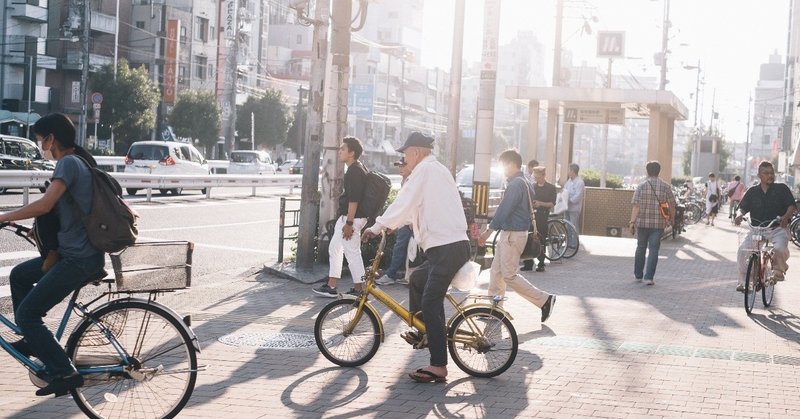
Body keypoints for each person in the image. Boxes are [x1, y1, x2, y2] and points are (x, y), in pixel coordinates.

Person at [0, 113, 106, 397]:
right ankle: (33, 341)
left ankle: (64, 370)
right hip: (75, 254)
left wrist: (3, 215)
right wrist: (29, 228)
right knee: (19, 275)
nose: (39, 144)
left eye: (40, 139)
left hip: (78, 260)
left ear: (51, 139)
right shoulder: (73, 163)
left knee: (27, 314)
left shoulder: (69, 163)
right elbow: (61, 215)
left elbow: (45, 205)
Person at [362, 132, 470, 383]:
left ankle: (439, 366)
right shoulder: (435, 170)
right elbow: (415, 209)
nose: (404, 159)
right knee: (418, 279)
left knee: (431, 302)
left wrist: (377, 227)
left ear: (417, 152)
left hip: (446, 247)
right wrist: (394, 225)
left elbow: (403, 202)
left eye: (406, 154)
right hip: (448, 246)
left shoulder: (424, 170)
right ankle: (426, 333)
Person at [479, 150, 556, 321]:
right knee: (496, 271)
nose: (503, 169)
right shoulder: (525, 182)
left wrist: (488, 231)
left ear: (512, 164)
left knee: (509, 275)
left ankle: (544, 299)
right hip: (514, 233)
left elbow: (504, 210)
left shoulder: (515, 185)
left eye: (504, 164)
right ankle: (494, 310)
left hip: (512, 235)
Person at [313, 137, 369, 297]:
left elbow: (354, 199)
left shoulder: (355, 171)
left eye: (343, 149)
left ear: (351, 153)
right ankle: (331, 286)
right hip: (346, 218)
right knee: (335, 248)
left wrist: (349, 223)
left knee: (352, 252)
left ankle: (359, 289)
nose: (340, 151)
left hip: (352, 219)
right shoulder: (355, 168)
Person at [734, 161, 796, 292]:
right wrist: (738, 215)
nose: (770, 175)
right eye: (766, 173)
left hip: (777, 228)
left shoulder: (782, 189)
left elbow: (792, 206)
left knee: (779, 248)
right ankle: (746, 282)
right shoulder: (752, 191)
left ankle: (778, 272)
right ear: (759, 175)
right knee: (742, 251)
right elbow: (743, 208)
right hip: (756, 229)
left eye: (771, 173)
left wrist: (785, 217)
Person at [629, 161, 676, 285]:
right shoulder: (665, 186)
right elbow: (672, 204)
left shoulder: (641, 186)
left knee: (640, 248)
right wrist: (672, 218)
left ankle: (638, 275)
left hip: (642, 223)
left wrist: (632, 222)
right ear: (658, 171)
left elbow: (636, 206)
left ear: (647, 171)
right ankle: (649, 277)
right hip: (658, 224)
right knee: (654, 250)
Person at [376, 158, 413, 285]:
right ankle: (407, 276)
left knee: (402, 250)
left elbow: (404, 207)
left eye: (403, 166)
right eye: (399, 166)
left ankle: (391, 275)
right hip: (406, 223)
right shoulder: (405, 181)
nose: (400, 168)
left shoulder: (412, 181)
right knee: (406, 250)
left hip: (411, 224)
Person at [530, 166, 557, 272]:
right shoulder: (532, 187)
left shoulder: (551, 188)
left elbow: (552, 203)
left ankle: (541, 263)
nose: (536, 179)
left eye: (538, 177)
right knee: (529, 238)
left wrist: (540, 203)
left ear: (544, 175)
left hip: (543, 215)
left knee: (541, 239)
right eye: (534, 177)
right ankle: (528, 263)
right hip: (532, 216)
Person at [563, 163, 585, 232]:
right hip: (566, 207)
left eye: (569, 170)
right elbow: (564, 190)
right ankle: (569, 242)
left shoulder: (580, 182)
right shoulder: (569, 181)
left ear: (573, 171)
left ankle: (574, 242)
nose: (568, 172)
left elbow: (577, 196)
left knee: (573, 226)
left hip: (574, 209)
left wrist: (568, 200)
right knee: (567, 227)